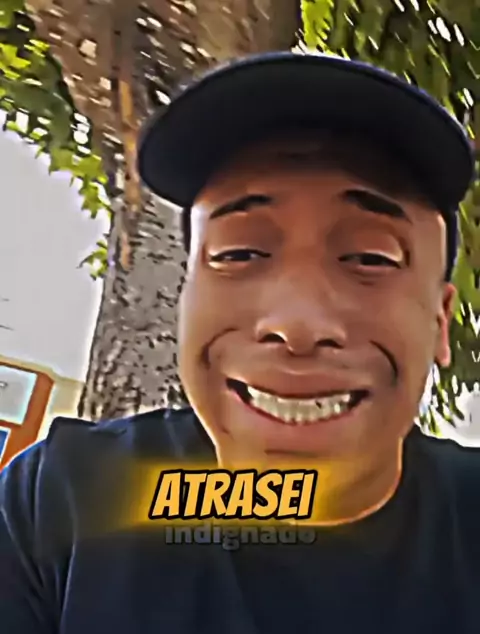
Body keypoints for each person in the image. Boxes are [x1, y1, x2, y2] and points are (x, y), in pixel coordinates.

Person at [1, 51, 479, 634]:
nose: (297, 325)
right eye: (239, 253)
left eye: (370, 257)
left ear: (440, 322)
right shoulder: (63, 503)